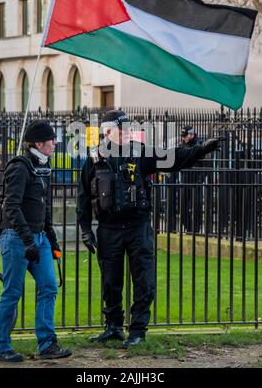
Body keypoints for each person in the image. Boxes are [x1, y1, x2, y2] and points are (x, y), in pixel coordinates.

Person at [77, 110, 222, 348]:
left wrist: (201, 149)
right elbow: (83, 197)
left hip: (138, 226)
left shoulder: (141, 152)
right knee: (110, 281)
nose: (126, 133)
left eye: (127, 129)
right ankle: (112, 326)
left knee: (144, 279)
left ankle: (137, 330)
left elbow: (174, 158)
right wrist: (85, 230)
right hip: (108, 229)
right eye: (120, 130)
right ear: (107, 132)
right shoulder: (94, 158)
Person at [0, 120, 72, 362]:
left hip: (40, 237)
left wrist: (52, 241)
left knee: (49, 286)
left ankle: (47, 344)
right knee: (13, 291)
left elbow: (43, 208)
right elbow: (11, 207)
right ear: (38, 143)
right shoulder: (20, 167)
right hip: (16, 236)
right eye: (51, 140)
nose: (55, 143)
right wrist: (27, 241)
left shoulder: (44, 167)